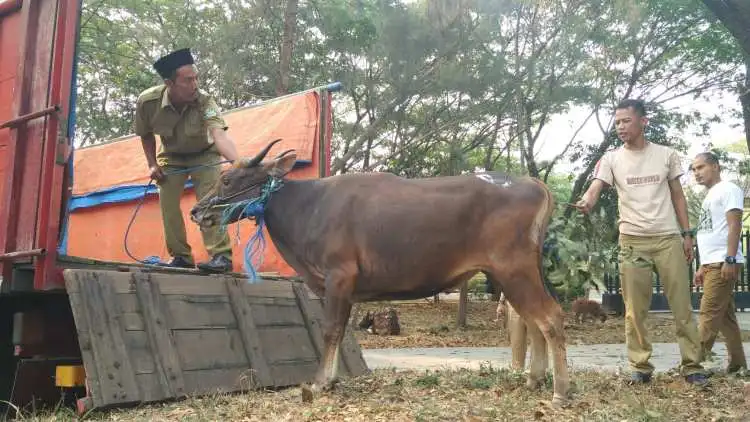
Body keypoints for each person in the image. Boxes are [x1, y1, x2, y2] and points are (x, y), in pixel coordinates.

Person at [574, 99, 707, 385]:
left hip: (667, 237)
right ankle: (641, 366)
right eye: (617, 122)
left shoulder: (666, 155)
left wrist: (686, 235)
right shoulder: (611, 158)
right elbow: (596, 186)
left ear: (643, 121)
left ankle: (693, 365)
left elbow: (678, 196)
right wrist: (587, 200)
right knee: (635, 309)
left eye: (626, 121)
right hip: (632, 240)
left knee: (682, 306)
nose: (620, 126)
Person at [134, 48, 239, 272]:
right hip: (171, 157)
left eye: (196, 78)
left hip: (205, 154)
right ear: (169, 83)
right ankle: (181, 256)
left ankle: (221, 257)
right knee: (168, 205)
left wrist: (238, 163)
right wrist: (152, 164)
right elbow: (145, 134)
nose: (195, 84)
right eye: (188, 80)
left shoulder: (205, 101)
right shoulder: (147, 102)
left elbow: (220, 136)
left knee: (210, 201)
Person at [691, 152, 747, 374]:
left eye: (701, 167)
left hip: (724, 261)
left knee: (708, 313)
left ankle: (692, 364)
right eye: (694, 169)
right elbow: (711, 232)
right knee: (726, 318)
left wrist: (730, 259)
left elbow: (735, 226)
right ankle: (738, 366)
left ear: (715, 166)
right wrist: (702, 266)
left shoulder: (729, 189)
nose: (696, 173)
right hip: (712, 263)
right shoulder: (709, 195)